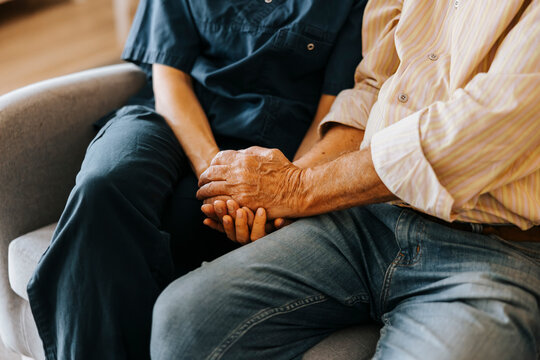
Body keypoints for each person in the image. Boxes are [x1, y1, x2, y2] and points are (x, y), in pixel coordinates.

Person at [151, 0, 540, 359]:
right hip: (367, 218)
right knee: (183, 322)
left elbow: (487, 125)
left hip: (496, 248)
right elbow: (372, 88)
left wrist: (298, 190)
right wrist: (281, 192)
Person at [26, 1, 369, 359]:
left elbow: (335, 108)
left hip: (276, 156)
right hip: (172, 120)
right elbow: (169, 76)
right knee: (104, 188)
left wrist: (283, 189)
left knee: (169, 226)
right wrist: (216, 173)